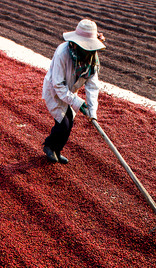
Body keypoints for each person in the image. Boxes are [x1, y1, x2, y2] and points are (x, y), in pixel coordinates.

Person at [41, 19, 105, 165]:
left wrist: (92, 112)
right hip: (55, 90)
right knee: (63, 122)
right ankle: (49, 147)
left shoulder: (92, 60)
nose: (88, 50)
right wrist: (78, 103)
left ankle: (56, 149)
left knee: (69, 122)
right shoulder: (62, 53)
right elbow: (58, 84)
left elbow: (92, 86)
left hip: (69, 92)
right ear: (76, 44)